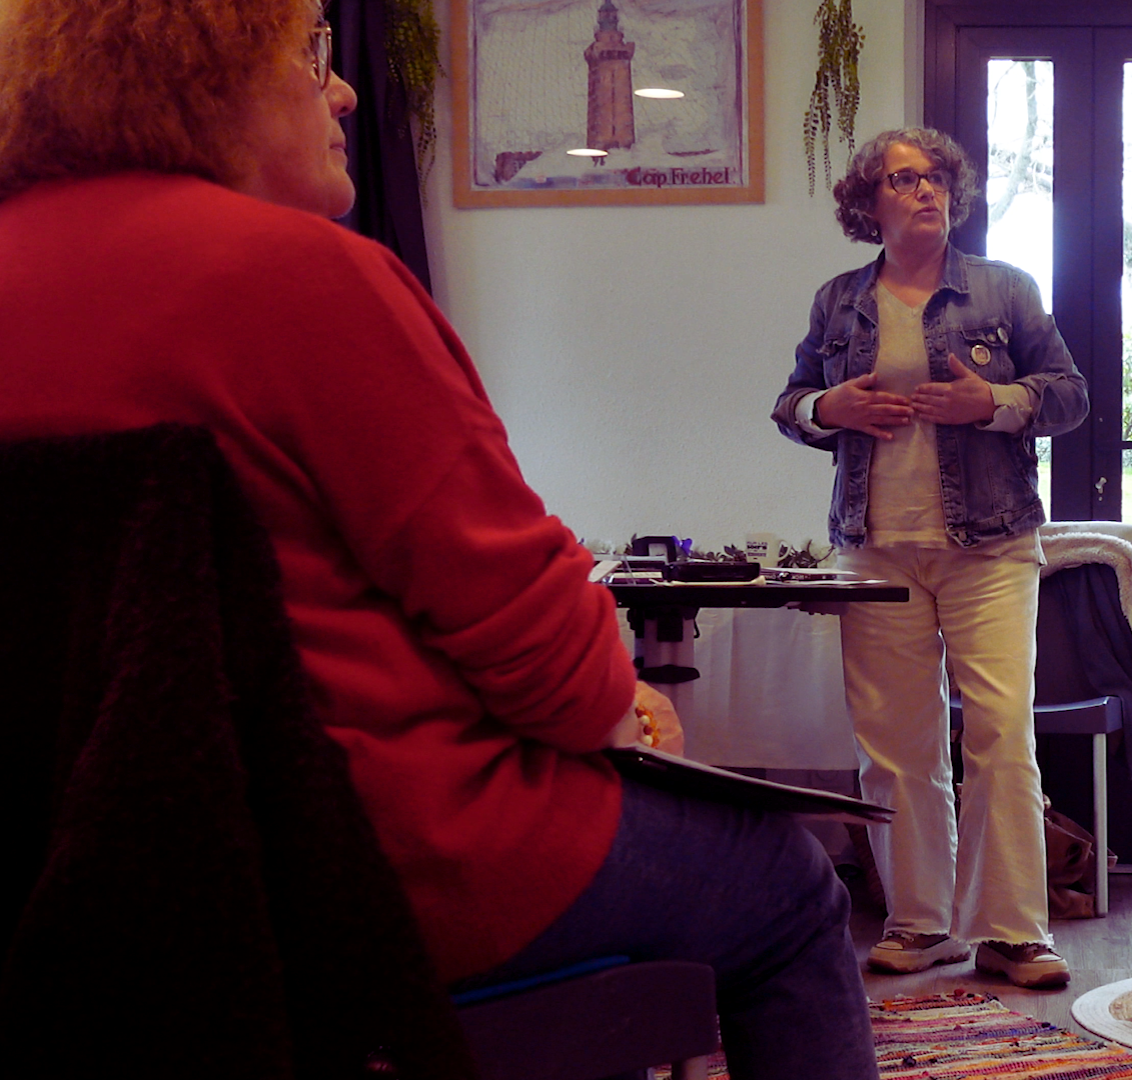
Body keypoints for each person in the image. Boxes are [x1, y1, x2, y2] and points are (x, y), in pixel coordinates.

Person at [0, 3, 877, 1076]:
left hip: (80, 891)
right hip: (370, 869)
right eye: (308, 51)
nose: (346, 90)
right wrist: (623, 700)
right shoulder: (299, 276)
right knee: (786, 886)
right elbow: (546, 658)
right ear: (203, 71)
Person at [772, 128, 1090, 989]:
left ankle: (1014, 931)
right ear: (868, 201)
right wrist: (829, 407)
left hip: (990, 545)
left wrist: (994, 401)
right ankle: (919, 924)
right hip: (874, 548)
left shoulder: (1004, 289)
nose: (925, 191)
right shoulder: (839, 301)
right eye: (903, 179)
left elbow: (1069, 393)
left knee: (999, 734)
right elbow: (790, 403)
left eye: (936, 177)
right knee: (897, 746)